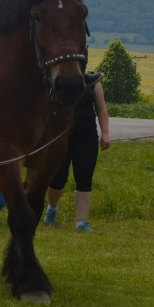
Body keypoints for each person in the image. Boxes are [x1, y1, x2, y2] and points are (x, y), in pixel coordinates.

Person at [43, 76, 110, 232]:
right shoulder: (58, 78)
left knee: (85, 178)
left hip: (87, 136)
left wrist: (105, 133)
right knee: (58, 178)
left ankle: (81, 222)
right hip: (61, 136)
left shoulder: (93, 82)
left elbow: (101, 108)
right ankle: (52, 209)